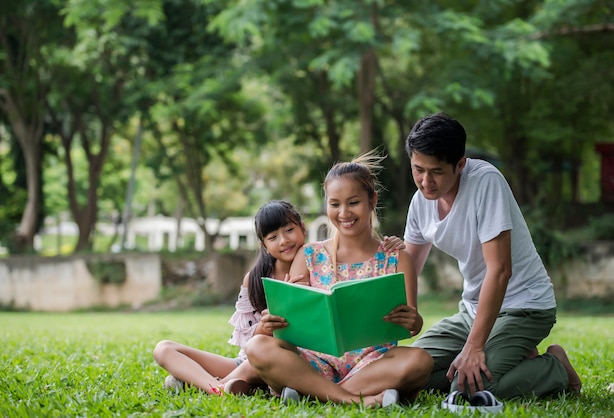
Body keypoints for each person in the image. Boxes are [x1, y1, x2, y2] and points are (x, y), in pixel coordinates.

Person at [403, 112, 581, 399]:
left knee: (471, 387)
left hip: (525, 305)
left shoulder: (485, 181)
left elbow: (500, 270)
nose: (425, 181)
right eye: (418, 169)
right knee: (408, 371)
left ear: (460, 164)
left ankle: (555, 367)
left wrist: (474, 347)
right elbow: (407, 267)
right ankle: (509, 355)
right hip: (473, 311)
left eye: (436, 171)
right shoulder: (421, 202)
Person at [153, 200, 407, 395]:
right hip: (253, 359)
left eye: (289, 230)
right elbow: (248, 344)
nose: (284, 241)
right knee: (163, 348)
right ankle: (218, 388)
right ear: (264, 245)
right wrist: (263, 329)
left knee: (267, 360)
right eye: (273, 237)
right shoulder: (254, 278)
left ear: (302, 229)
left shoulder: (320, 262)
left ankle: (210, 386)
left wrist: (390, 242)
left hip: (297, 360)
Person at [245, 151, 434, 407]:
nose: (344, 213)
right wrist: (277, 319)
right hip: (314, 361)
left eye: (353, 202)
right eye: (335, 204)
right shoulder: (310, 254)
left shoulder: (397, 258)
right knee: (257, 346)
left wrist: (415, 320)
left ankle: (311, 393)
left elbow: (412, 326)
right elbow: (295, 318)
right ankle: (352, 400)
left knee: (421, 361)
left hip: (372, 365)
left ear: (372, 201)